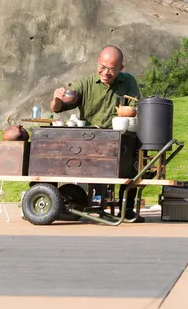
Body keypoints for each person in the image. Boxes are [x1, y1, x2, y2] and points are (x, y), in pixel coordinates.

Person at [50, 45, 143, 221]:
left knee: (134, 160)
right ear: (97, 63)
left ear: (121, 68)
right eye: (102, 66)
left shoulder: (128, 81)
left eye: (112, 69)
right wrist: (57, 99)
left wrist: (127, 111)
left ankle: (128, 207)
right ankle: (91, 203)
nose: (106, 72)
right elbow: (59, 107)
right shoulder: (85, 83)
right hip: (91, 140)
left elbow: (135, 109)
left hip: (120, 138)